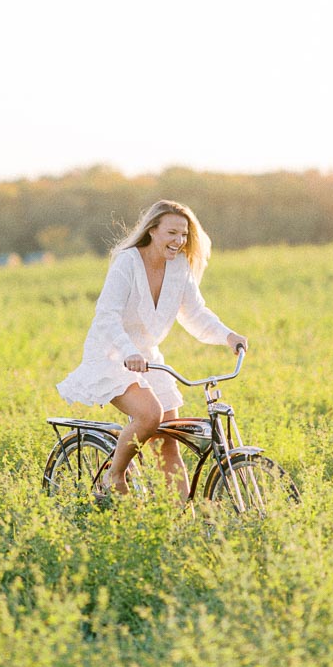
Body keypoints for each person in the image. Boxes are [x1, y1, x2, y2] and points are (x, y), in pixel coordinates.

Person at [57, 199, 247, 501]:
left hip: (146, 358)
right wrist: (127, 351)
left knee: (169, 442)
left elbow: (195, 313)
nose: (179, 241)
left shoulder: (179, 266)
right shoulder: (127, 262)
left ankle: (184, 522)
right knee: (150, 415)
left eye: (184, 235)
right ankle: (114, 475)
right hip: (111, 353)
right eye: (172, 233)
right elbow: (106, 315)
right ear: (152, 231)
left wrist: (228, 336)